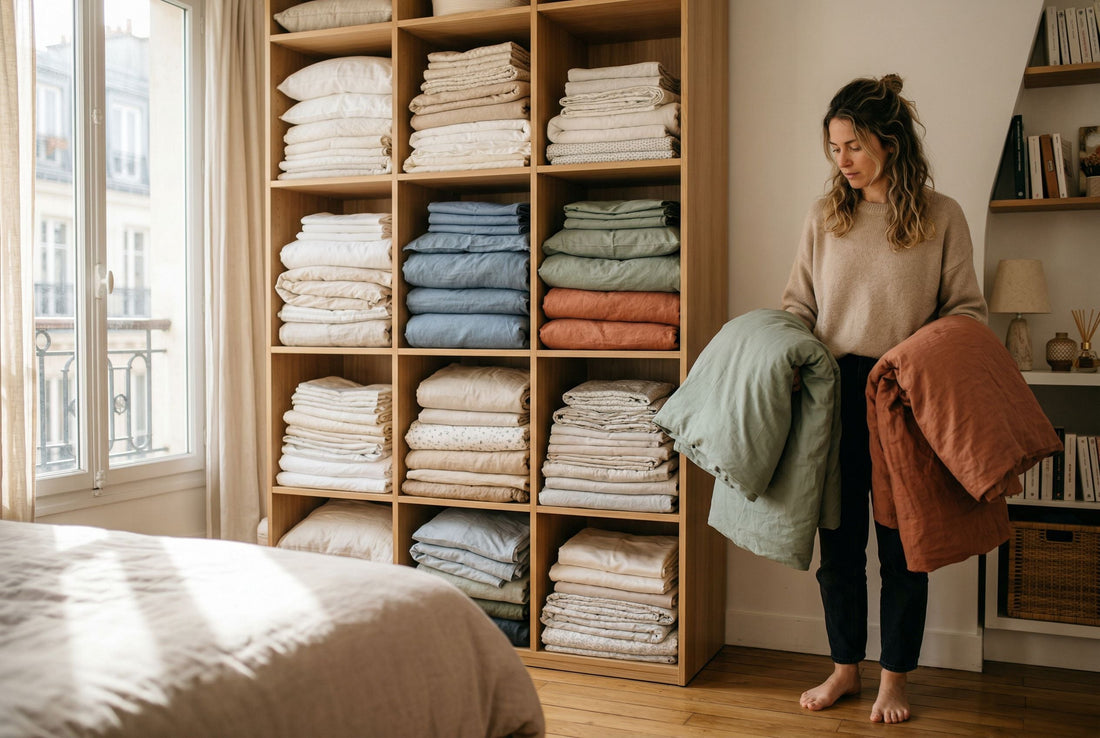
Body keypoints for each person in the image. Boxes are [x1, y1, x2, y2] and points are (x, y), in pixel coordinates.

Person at [780, 74, 988, 724]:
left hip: (905, 394)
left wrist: (915, 361)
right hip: (835, 392)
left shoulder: (941, 215)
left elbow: (968, 313)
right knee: (837, 544)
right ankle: (846, 666)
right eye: (834, 148)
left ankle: (894, 677)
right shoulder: (824, 217)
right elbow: (797, 305)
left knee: (903, 548)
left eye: (853, 147)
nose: (840, 161)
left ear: (890, 143)